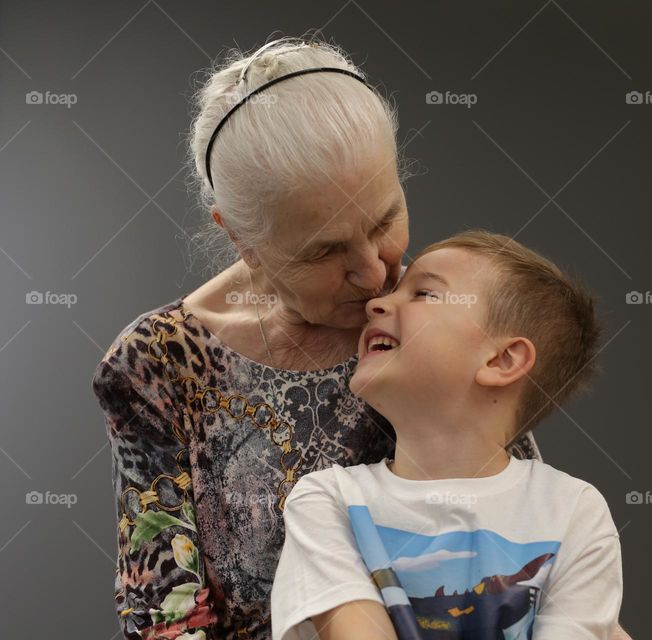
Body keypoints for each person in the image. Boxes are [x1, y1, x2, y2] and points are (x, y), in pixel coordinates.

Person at [91, 38, 547, 640]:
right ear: (240, 238)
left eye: (385, 221)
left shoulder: (440, 327)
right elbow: (163, 613)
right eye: (326, 251)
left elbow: (523, 544)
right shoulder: (156, 363)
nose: (377, 273)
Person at [270, 230, 623, 640]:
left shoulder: (574, 512)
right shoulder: (326, 502)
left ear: (502, 359)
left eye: (423, 294)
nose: (375, 303)